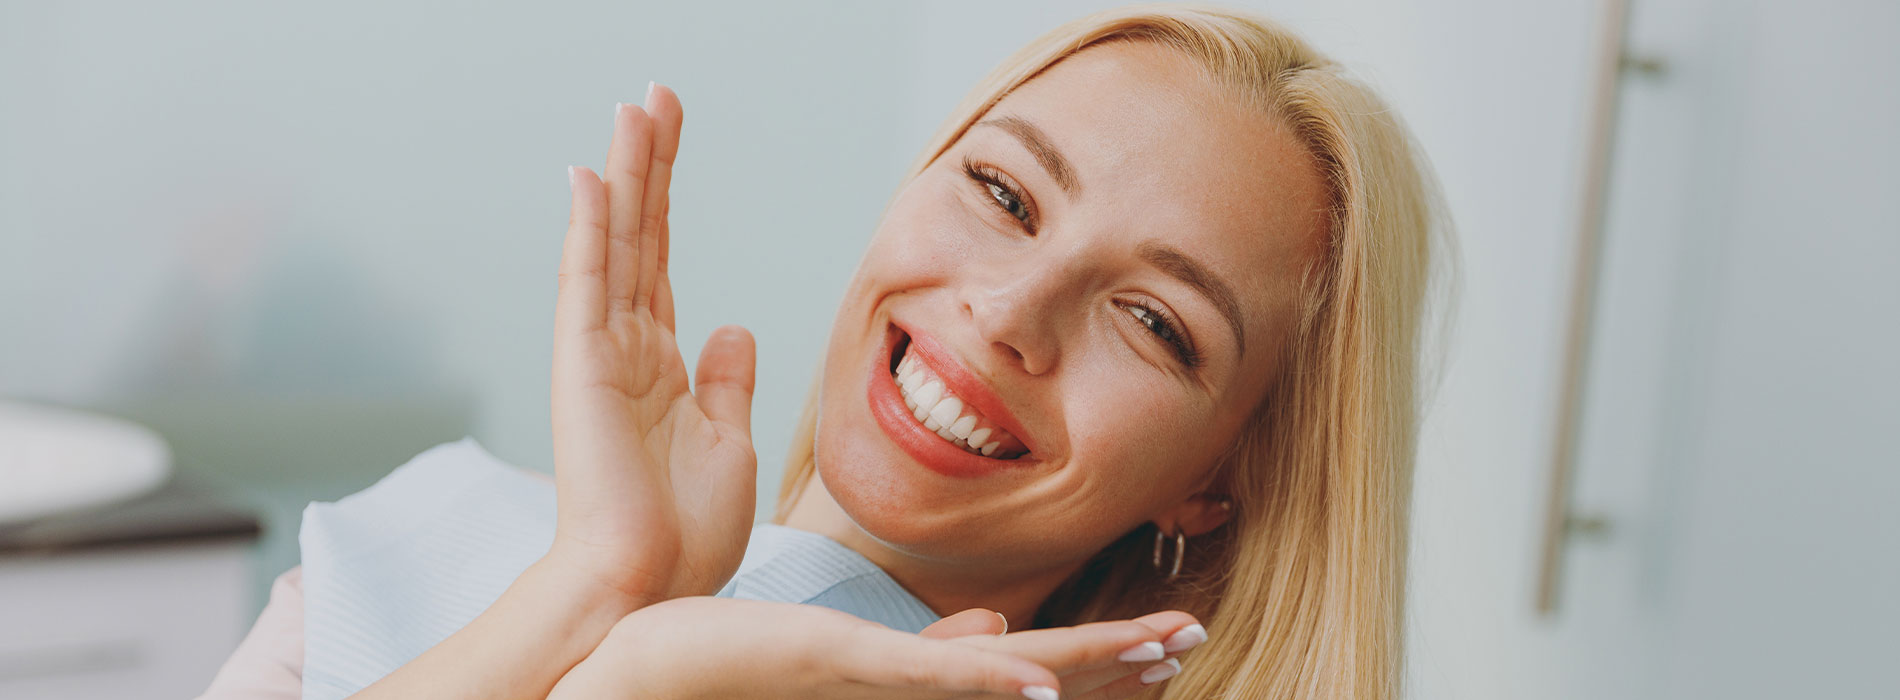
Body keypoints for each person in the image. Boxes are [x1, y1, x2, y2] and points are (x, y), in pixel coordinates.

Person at [199, 4, 1447, 699]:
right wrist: (593, 592)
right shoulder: (452, 525)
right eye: (1006, 194)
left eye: (1155, 323)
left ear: (1216, 480)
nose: (1011, 310)